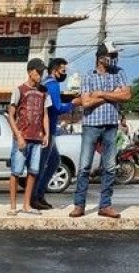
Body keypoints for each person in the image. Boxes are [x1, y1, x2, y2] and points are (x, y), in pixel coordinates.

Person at [71, 42, 131, 218]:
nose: (113, 59)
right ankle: (79, 205)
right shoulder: (88, 76)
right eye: (110, 56)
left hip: (111, 125)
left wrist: (101, 94)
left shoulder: (119, 72)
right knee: (84, 166)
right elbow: (86, 102)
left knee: (110, 167)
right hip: (91, 124)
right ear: (100, 57)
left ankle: (105, 205)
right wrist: (113, 94)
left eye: (113, 56)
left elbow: (127, 95)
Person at [31, 57, 81, 210]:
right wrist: (73, 103)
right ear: (55, 70)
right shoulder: (52, 85)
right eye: (63, 70)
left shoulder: (45, 83)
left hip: (46, 130)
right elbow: (57, 108)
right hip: (47, 131)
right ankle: (35, 196)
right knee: (42, 164)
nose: (64, 74)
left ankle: (39, 194)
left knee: (53, 162)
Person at [7, 58, 51, 216]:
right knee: (16, 171)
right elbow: (10, 115)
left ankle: (26, 204)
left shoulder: (44, 92)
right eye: (38, 71)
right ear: (30, 71)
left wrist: (47, 133)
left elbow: (45, 114)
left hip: (37, 138)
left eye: (42, 72)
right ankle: (13, 206)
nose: (40, 74)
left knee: (33, 171)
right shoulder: (19, 90)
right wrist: (18, 136)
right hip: (22, 137)